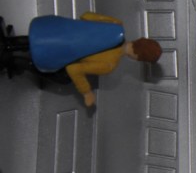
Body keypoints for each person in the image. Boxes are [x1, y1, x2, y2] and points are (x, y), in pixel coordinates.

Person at [0, 13, 162, 107]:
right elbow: (74, 70)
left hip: (52, 28)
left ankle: (11, 42)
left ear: (140, 40)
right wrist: (86, 92)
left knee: (34, 40)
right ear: (137, 58)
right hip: (52, 52)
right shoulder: (109, 64)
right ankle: (17, 62)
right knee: (64, 78)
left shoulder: (116, 24)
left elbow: (86, 15)